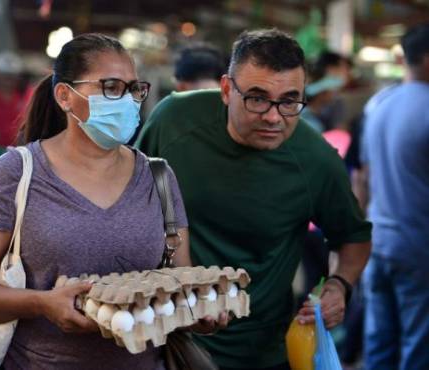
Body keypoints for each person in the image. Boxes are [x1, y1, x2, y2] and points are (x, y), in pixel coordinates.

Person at [0, 33, 227, 370]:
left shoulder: (159, 178)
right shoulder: (16, 174)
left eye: (134, 89)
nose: (127, 101)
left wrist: (197, 310)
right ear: (65, 95)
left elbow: (179, 278)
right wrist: (41, 303)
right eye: (110, 87)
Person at [136, 28, 372, 370]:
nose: (274, 117)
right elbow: (130, 200)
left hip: (260, 352)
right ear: (227, 89)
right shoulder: (174, 121)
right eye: (257, 98)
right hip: (164, 341)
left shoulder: (315, 160)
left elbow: (353, 237)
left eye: (290, 101)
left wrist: (338, 285)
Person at [360, 23, 429, 370]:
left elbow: (364, 177)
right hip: (418, 246)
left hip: (379, 241)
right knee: (419, 342)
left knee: (380, 338)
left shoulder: (379, 103)